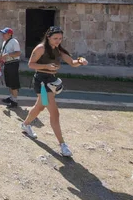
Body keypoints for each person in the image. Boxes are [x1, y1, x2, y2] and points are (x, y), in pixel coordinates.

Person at [21, 26, 88, 157]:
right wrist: (46, 66)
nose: (58, 41)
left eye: (60, 38)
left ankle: (25, 124)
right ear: (48, 37)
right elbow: (30, 64)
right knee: (54, 113)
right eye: (55, 38)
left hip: (51, 81)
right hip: (42, 83)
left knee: (40, 107)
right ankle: (63, 145)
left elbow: (72, 62)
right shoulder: (40, 48)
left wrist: (80, 60)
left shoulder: (59, 49)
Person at [0, 28, 21, 108]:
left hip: (13, 63)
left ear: (10, 34)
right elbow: (2, 52)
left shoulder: (14, 42)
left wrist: (8, 55)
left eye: (4, 33)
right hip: (7, 63)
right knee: (9, 82)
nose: (3, 35)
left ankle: (15, 100)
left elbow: (18, 53)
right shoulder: (4, 42)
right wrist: (0, 61)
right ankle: (11, 97)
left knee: (13, 82)